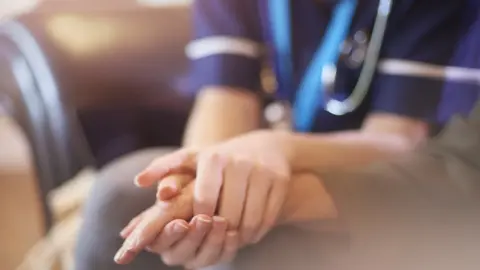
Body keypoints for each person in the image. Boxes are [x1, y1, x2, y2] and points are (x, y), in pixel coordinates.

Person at [75, 0, 469, 269]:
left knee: (256, 243)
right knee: (118, 199)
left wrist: (276, 149)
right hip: (271, 155)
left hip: (376, 177)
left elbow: (400, 141)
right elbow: (224, 97)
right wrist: (198, 186)